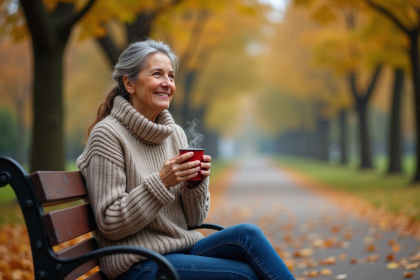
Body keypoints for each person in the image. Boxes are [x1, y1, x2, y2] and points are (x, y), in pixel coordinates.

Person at [77, 39, 295, 280]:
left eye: (171, 76)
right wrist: (162, 182)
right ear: (129, 83)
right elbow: (110, 223)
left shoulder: (175, 134)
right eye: (157, 74)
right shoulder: (107, 135)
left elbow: (193, 220)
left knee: (248, 235)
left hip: (179, 249)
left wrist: (194, 185)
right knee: (244, 275)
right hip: (138, 263)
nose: (167, 83)